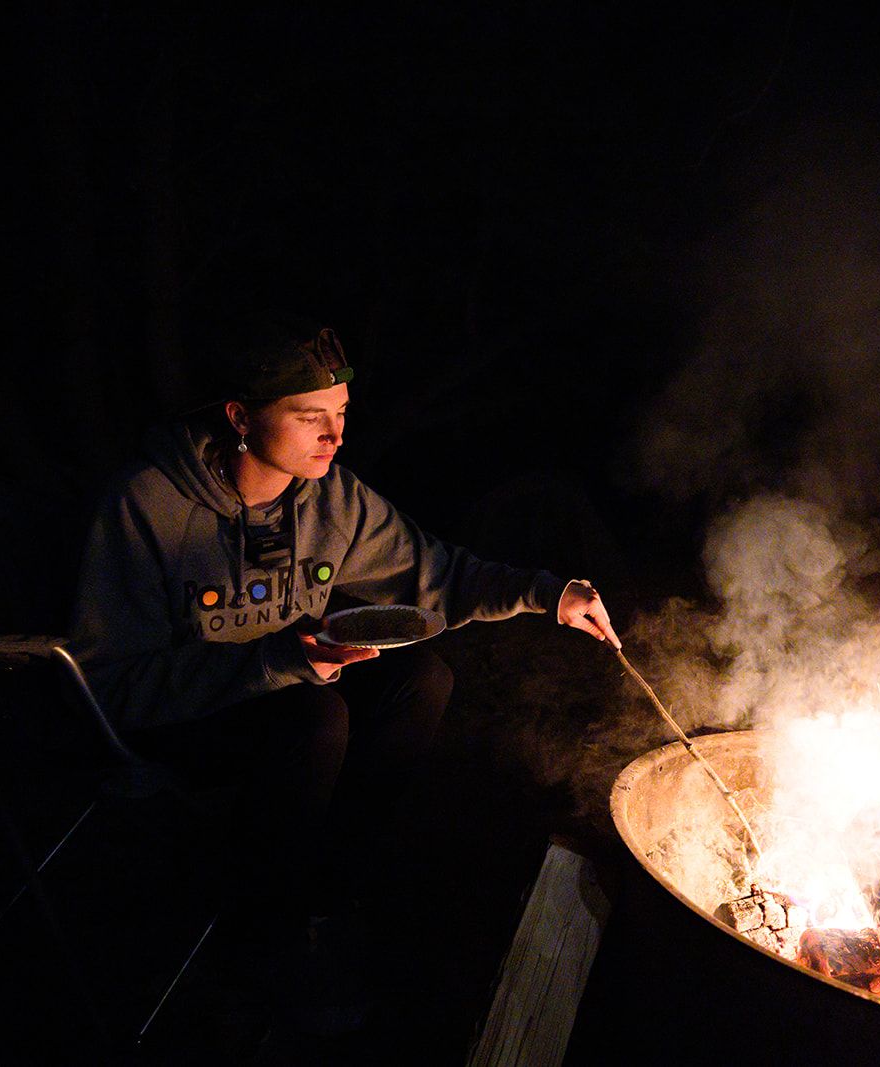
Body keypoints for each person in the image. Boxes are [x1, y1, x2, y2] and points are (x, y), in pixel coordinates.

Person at [67, 314, 619, 1034]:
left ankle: (328, 895)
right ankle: (263, 942)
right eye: (310, 417)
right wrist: (281, 661)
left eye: (342, 414)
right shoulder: (148, 504)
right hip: (180, 717)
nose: (334, 435)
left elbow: (437, 575)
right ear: (240, 417)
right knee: (314, 714)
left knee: (419, 679)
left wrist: (549, 594)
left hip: (280, 689)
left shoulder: (332, 502)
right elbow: (113, 687)